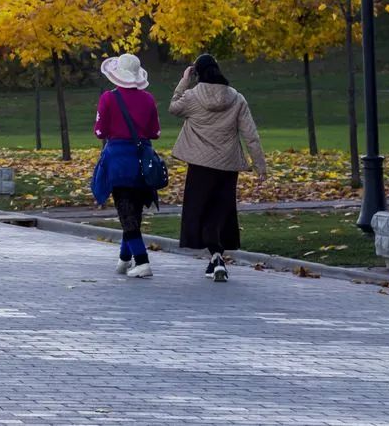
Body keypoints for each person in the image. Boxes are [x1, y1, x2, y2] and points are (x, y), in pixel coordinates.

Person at [170, 53, 267, 282]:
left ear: (198, 73)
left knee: (200, 209)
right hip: (227, 164)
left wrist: (184, 81)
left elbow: (174, 107)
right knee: (220, 210)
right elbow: (250, 135)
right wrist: (259, 166)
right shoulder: (236, 98)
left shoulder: (192, 97)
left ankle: (215, 256)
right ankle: (216, 257)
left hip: (201, 164)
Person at [90, 53, 162, 278]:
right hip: (143, 161)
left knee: (126, 212)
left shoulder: (108, 98)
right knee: (134, 211)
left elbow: (100, 131)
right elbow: (154, 132)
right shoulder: (149, 99)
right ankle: (124, 258)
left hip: (118, 162)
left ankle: (142, 261)